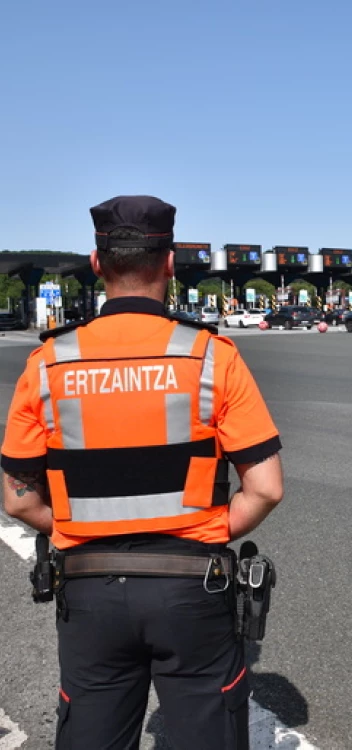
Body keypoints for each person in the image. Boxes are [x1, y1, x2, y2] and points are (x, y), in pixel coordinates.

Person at [1, 195, 284, 749]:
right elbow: (266, 487)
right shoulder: (211, 355)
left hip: (89, 590)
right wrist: (208, 534)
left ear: (98, 263)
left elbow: (17, 499)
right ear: (171, 262)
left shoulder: (49, 362)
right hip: (193, 587)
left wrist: (73, 530)